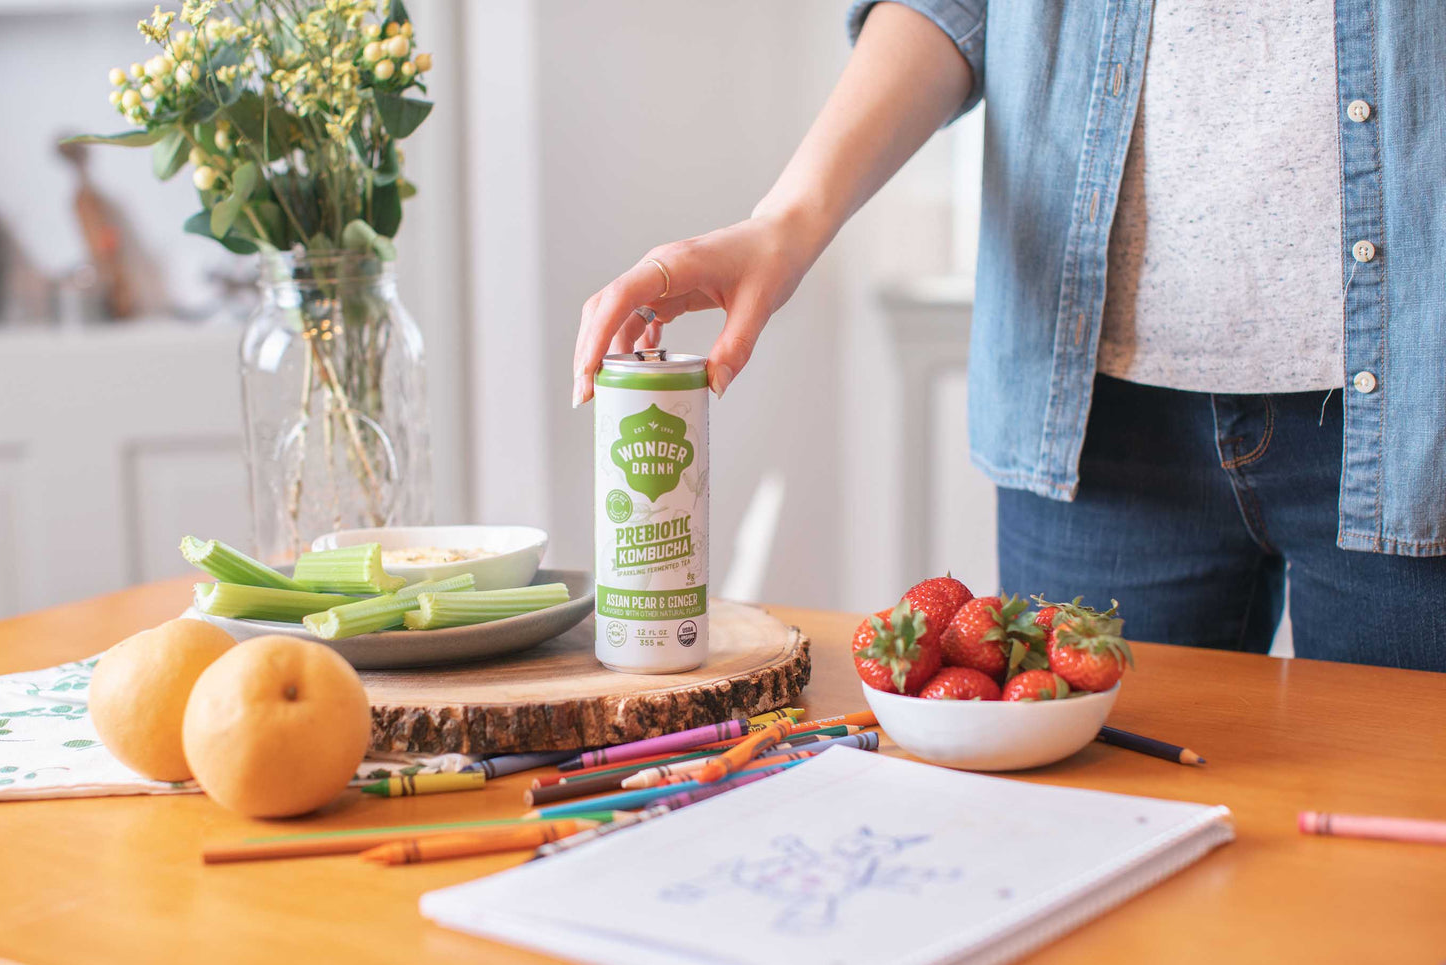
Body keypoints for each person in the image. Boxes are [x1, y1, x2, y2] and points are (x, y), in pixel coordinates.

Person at [570, 1, 1446, 671]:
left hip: (1418, 415)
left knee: (1405, 860)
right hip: (1095, 430)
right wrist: (787, 221)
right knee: (1086, 847)